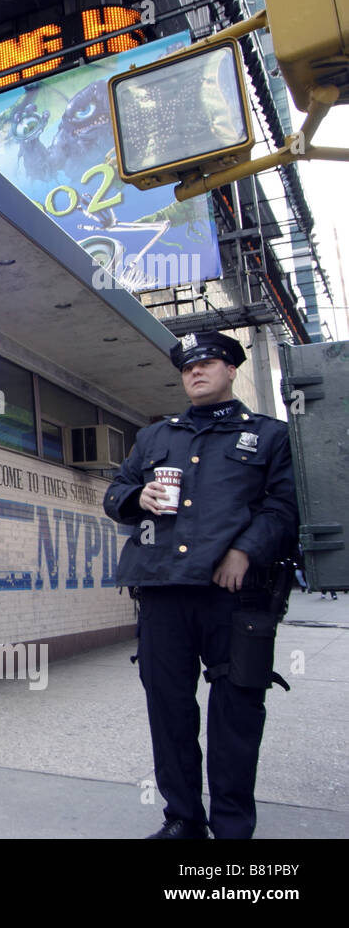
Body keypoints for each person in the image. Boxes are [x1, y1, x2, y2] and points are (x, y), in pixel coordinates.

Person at [103, 331, 297, 839]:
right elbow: (115, 492)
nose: (197, 372)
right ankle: (183, 820)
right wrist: (136, 496)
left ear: (231, 370)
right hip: (162, 591)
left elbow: (284, 507)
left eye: (208, 363)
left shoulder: (271, 436)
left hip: (235, 595)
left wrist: (244, 551)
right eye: (188, 367)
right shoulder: (155, 437)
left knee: (236, 713)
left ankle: (232, 827)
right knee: (168, 710)